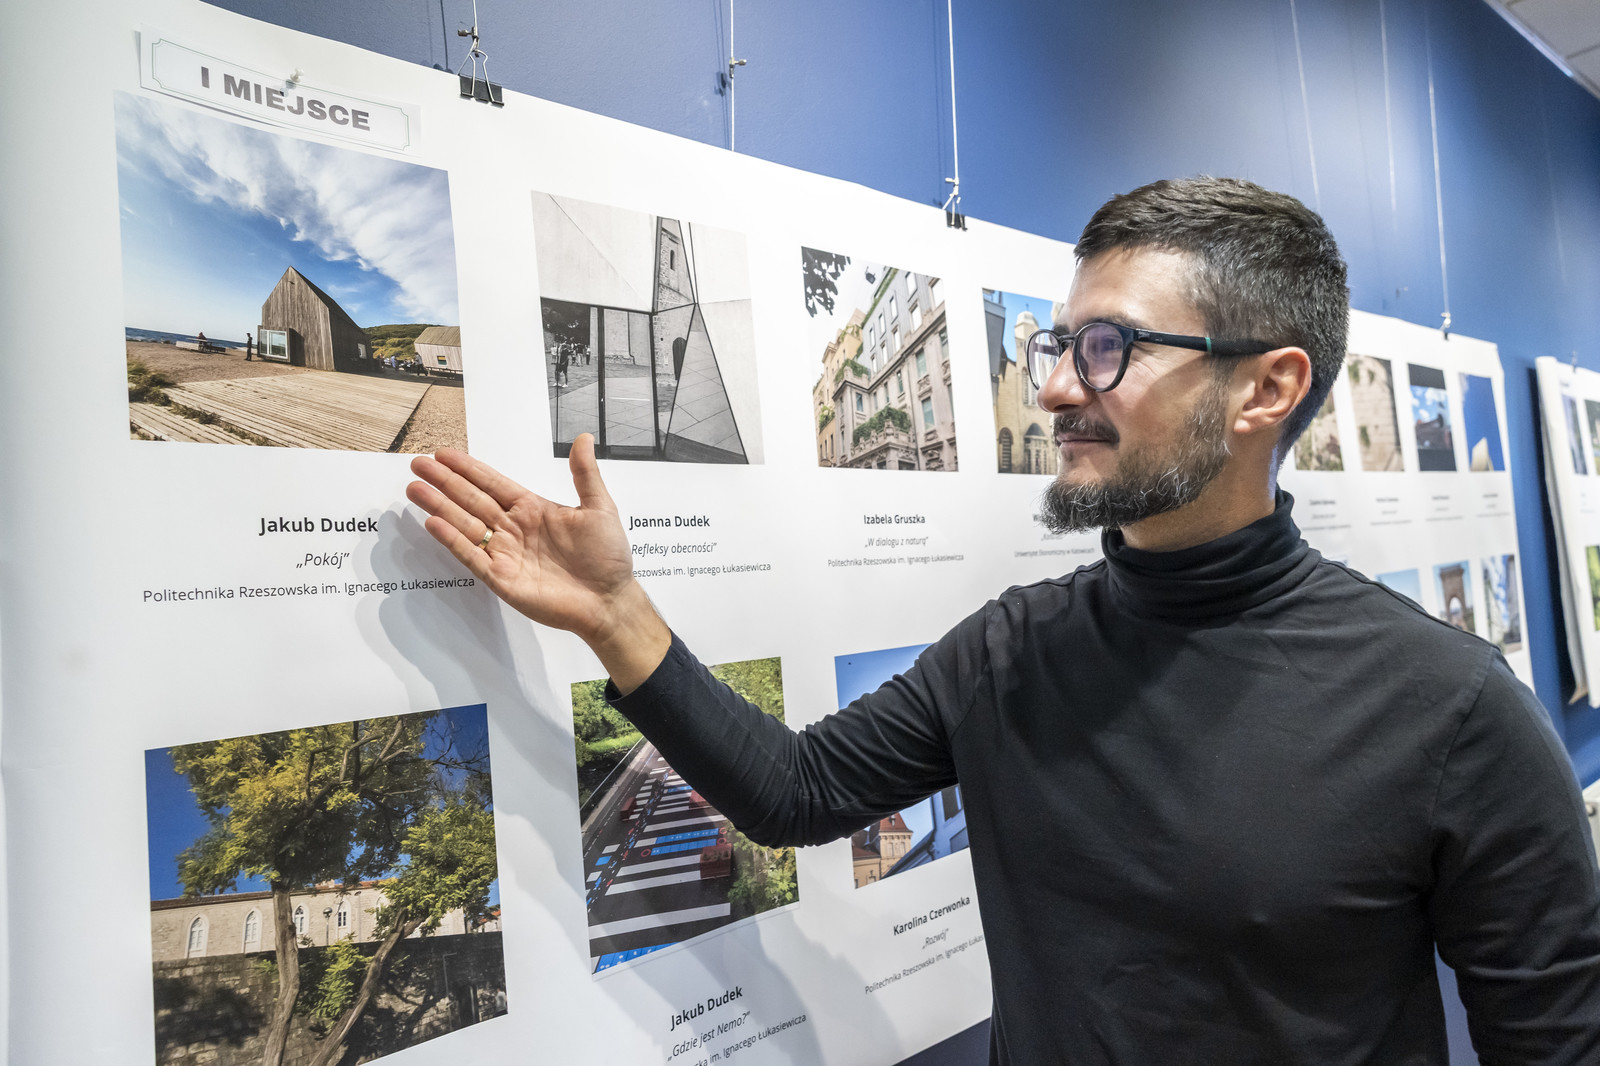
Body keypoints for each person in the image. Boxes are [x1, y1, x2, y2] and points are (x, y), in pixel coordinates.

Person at [405, 178, 1600, 1063]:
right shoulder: (1015, 646)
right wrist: (616, 614)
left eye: (1107, 347)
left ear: (1266, 386)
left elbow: (1553, 1042)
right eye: (1057, 343)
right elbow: (797, 791)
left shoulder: (1447, 712)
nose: (1055, 386)